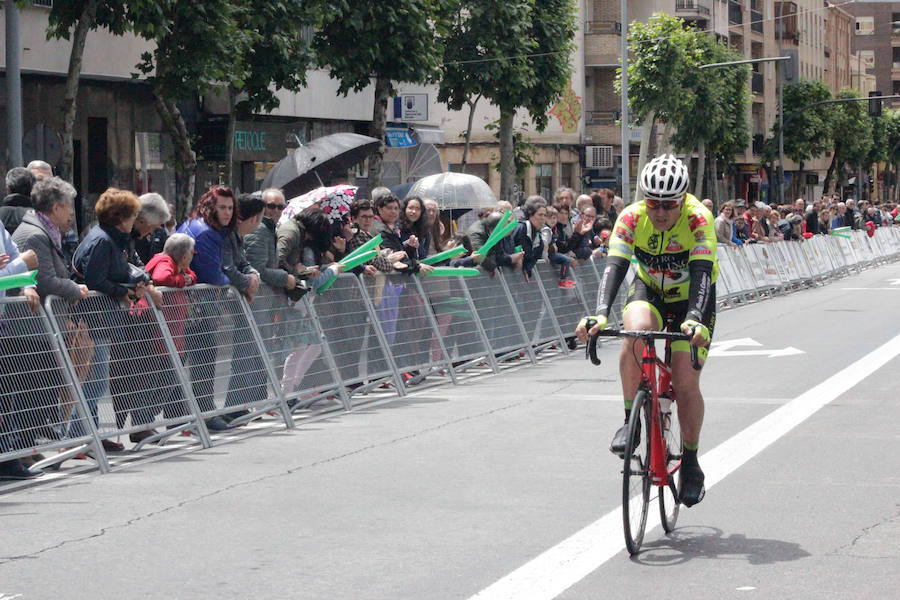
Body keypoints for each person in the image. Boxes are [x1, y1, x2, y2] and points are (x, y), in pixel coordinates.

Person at [575, 154, 717, 508]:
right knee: (634, 334)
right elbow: (615, 267)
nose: (660, 212)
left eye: (669, 205)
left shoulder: (700, 218)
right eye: (653, 203)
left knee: (685, 384)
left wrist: (696, 317)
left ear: (683, 200)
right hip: (650, 289)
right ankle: (630, 421)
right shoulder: (631, 218)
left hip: (691, 299)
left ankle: (692, 460)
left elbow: (702, 271)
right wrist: (600, 315)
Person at [177, 185, 240, 432]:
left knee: (194, 360)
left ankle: (189, 416)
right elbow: (214, 275)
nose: (227, 213)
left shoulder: (204, 228)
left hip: (194, 307)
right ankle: (200, 414)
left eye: (230, 208)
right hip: (197, 309)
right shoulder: (206, 233)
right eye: (222, 207)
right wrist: (231, 281)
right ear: (210, 207)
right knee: (203, 359)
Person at [245, 188, 299, 298]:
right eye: (271, 206)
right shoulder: (259, 229)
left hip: (261, 297)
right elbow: (256, 269)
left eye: (280, 207)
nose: (276, 210)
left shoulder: (268, 228)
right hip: (253, 298)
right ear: (262, 206)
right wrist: (286, 278)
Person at [133, 193, 171, 264]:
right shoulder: (121, 236)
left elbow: (136, 262)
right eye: (153, 228)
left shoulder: (130, 237)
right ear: (142, 221)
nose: (151, 233)